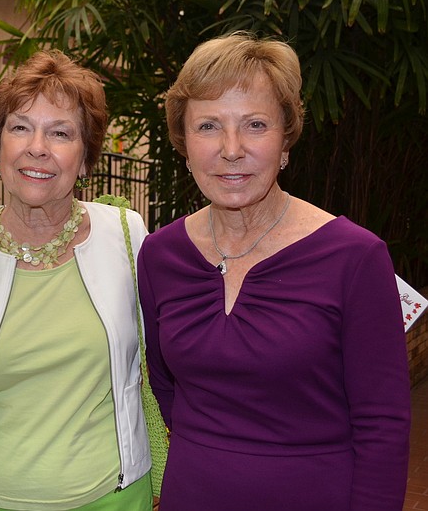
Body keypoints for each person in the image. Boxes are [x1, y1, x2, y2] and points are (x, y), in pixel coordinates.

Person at [137, 31, 411, 510]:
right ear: (184, 144)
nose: (231, 148)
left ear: (286, 141)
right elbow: (163, 384)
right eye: (208, 126)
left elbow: (383, 424)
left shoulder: (355, 257)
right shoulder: (161, 255)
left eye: (256, 124)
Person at [0, 49, 154, 510]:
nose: (37, 147)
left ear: (85, 158)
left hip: (117, 496)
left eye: (61, 133)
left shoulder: (127, 236)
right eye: (20, 127)